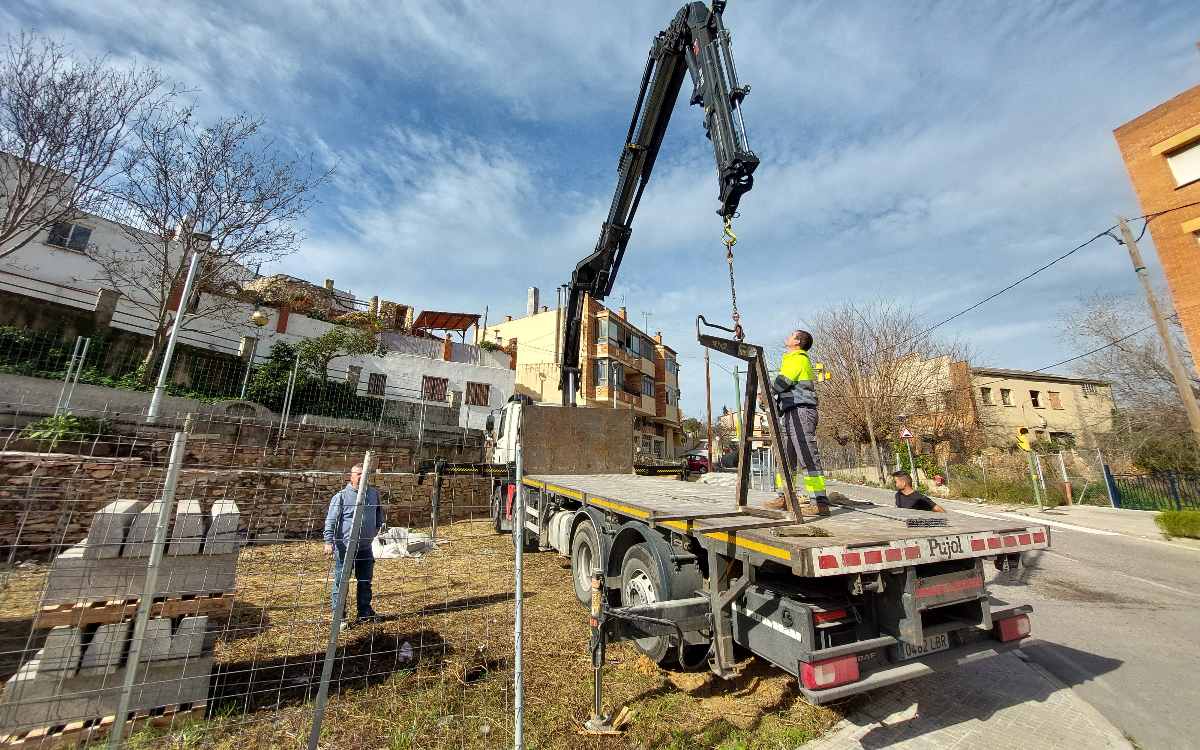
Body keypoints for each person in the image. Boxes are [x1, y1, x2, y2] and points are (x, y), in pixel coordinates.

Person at [767, 329, 830, 514]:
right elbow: (783, 390)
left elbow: (781, 383)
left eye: (791, 335)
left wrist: (763, 388)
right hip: (790, 413)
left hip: (801, 412)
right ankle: (784, 497)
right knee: (787, 459)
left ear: (798, 342)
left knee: (807, 457)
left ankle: (819, 501)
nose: (787, 336)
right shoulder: (790, 359)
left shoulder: (798, 358)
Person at [324, 463, 385, 628]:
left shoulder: (373, 494)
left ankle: (364, 612)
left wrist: (375, 529)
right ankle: (339, 617)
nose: (360, 477)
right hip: (345, 548)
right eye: (357, 474)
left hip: (365, 547)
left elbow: (379, 514)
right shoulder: (341, 496)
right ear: (351, 476)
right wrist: (328, 541)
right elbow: (331, 520)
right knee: (341, 582)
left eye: (363, 474)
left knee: (365, 581)